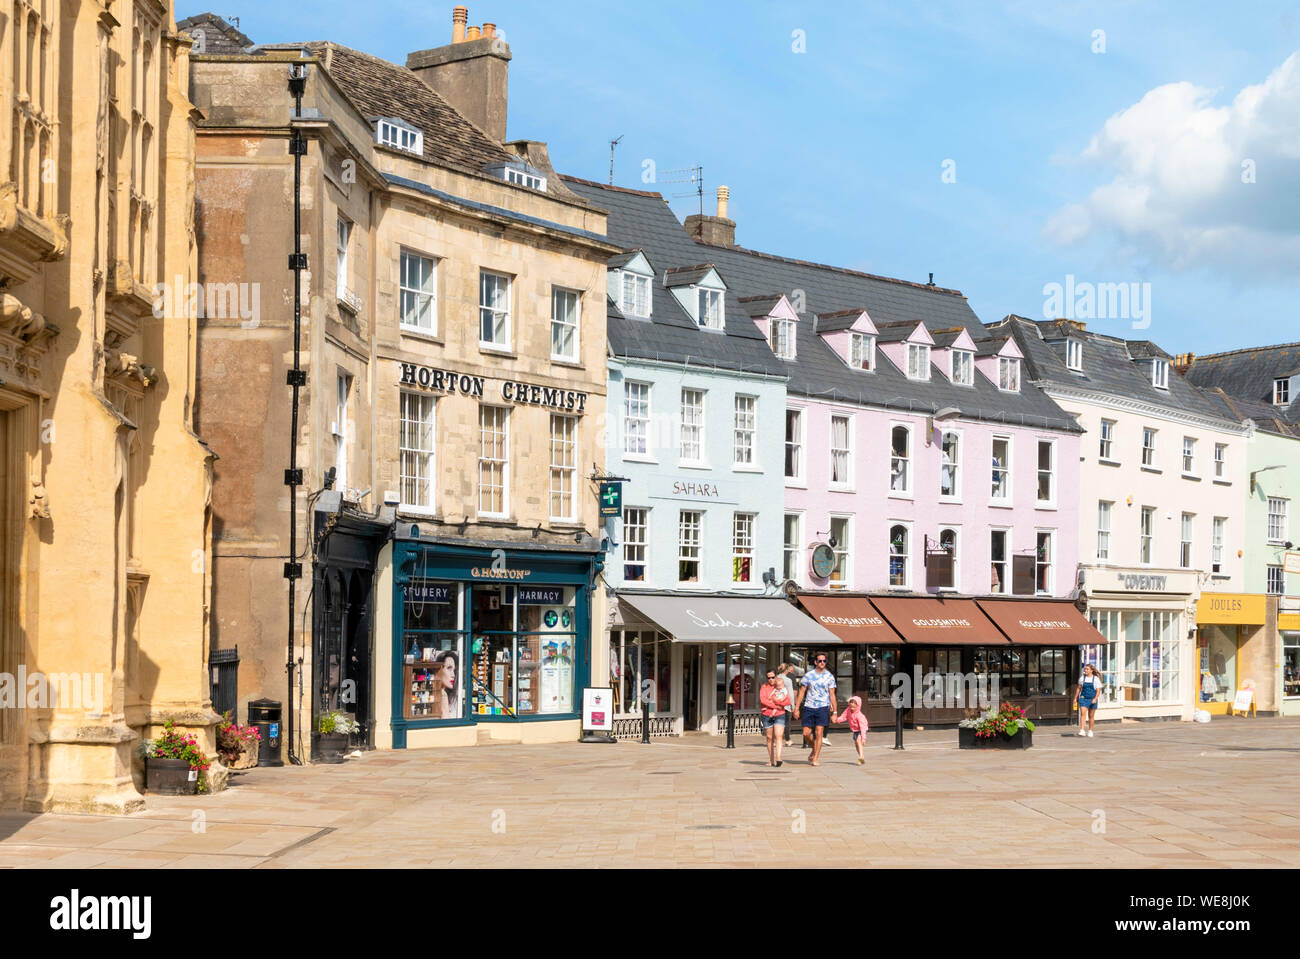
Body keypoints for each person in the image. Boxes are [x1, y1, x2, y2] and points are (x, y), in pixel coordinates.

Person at [793, 652, 838, 766]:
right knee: (806, 733)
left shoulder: (829, 677)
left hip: (823, 707)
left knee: (819, 733)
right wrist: (797, 708)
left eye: (824, 661)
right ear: (815, 662)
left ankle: (815, 758)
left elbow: (832, 694)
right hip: (809, 706)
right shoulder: (808, 675)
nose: (822, 663)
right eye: (820, 661)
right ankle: (814, 749)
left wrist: (835, 712)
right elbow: (802, 692)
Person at [759, 668, 790, 766]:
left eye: (772, 677)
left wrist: (777, 702)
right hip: (766, 714)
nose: (771, 680)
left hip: (779, 714)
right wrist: (775, 705)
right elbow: (763, 700)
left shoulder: (781, 686)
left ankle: (779, 758)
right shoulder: (764, 687)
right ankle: (771, 760)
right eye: (769, 678)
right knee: (769, 738)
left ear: (776, 676)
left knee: (779, 735)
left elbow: (788, 700)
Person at [834, 695, 869, 765]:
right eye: (851, 703)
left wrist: (863, 738)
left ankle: (861, 757)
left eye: (854, 703)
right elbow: (844, 717)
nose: (852, 705)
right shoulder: (848, 710)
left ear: (858, 705)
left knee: (858, 741)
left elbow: (863, 728)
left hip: (861, 730)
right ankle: (862, 756)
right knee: (856, 744)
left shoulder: (859, 715)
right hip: (855, 730)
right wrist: (837, 720)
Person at [1074, 663, 1101, 737]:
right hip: (1083, 698)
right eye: (1085, 669)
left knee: (1091, 716)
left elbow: (1098, 691)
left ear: (1091, 670)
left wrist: (1095, 699)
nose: (1085, 670)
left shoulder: (1095, 679)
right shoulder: (1082, 678)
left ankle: (1090, 730)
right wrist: (1075, 698)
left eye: (1087, 669)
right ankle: (1082, 730)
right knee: (1083, 713)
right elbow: (1079, 688)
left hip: (1092, 699)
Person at [779, 663, 795, 745]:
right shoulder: (788, 680)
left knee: (777, 722)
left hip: (776, 704)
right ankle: (787, 740)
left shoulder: (775, 678)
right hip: (786, 704)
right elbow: (790, 694)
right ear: (786, 670)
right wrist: (793, 705)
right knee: (787, 722)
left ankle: (776, 740)